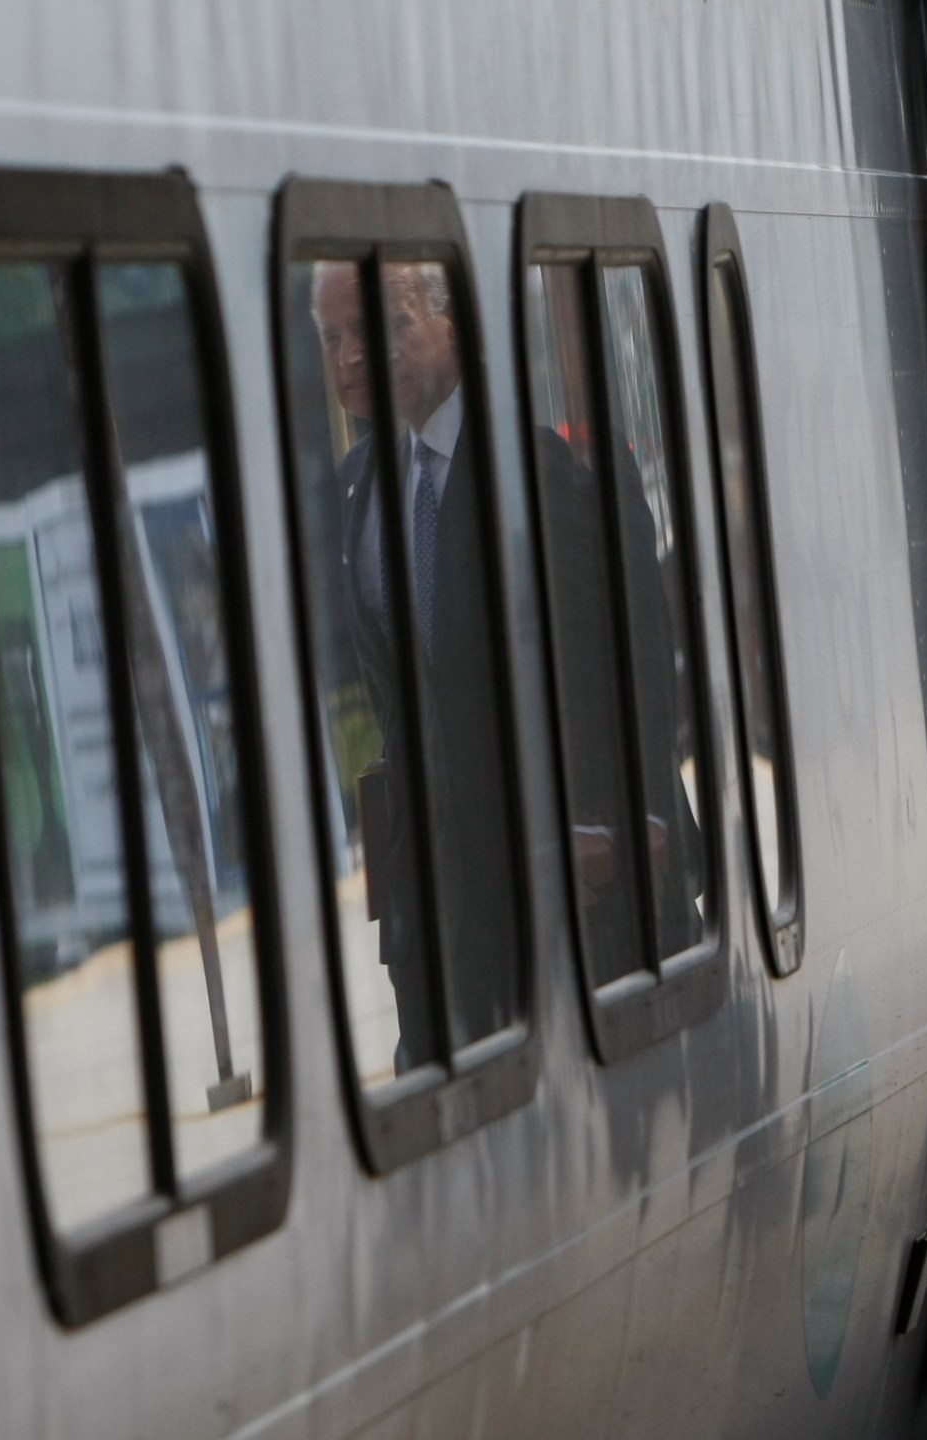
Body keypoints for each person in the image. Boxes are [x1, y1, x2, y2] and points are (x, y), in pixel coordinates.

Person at [311, 261, 519, 1071]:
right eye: (334, 340)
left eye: (382, 328)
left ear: (450, 322)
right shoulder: (356, 490)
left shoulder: (522, 461)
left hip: (539, 876)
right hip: (429, 898)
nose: (352, 360)